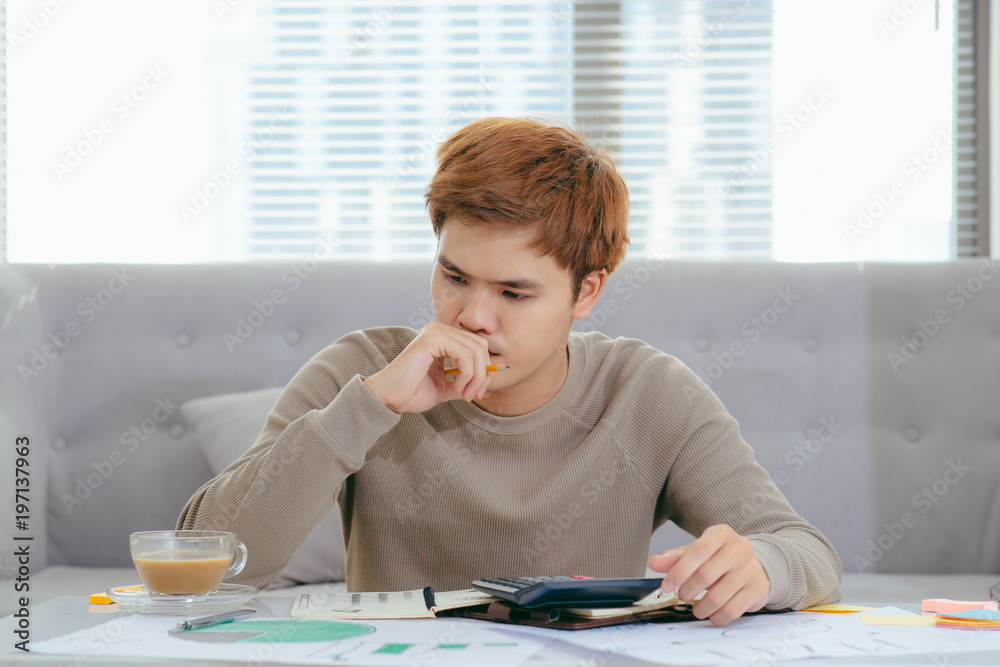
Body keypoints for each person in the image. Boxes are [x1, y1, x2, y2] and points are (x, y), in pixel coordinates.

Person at [177, 116, 842, 626]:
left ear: (587, 292)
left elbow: (804, 549)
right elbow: (200, 566)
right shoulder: (364, 371)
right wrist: (371, 406)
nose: (471, 317)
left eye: (513, 293)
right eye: (454, 275)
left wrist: (762, 564)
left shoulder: (647, 392)